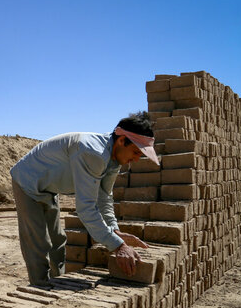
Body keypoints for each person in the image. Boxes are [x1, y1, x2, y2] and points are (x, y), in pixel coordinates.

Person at [10, 111, 159, 286]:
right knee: (39, 243)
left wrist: (114, 230)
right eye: (135, 152)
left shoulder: (114, 159)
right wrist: (118, 246)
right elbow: (86, 208)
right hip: (28, 181)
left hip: (49, 188)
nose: (135, 159)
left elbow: (104, 198)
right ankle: (40, 286)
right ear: (121, 141)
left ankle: (58, 282)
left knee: (57, 240)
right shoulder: (93, 153)